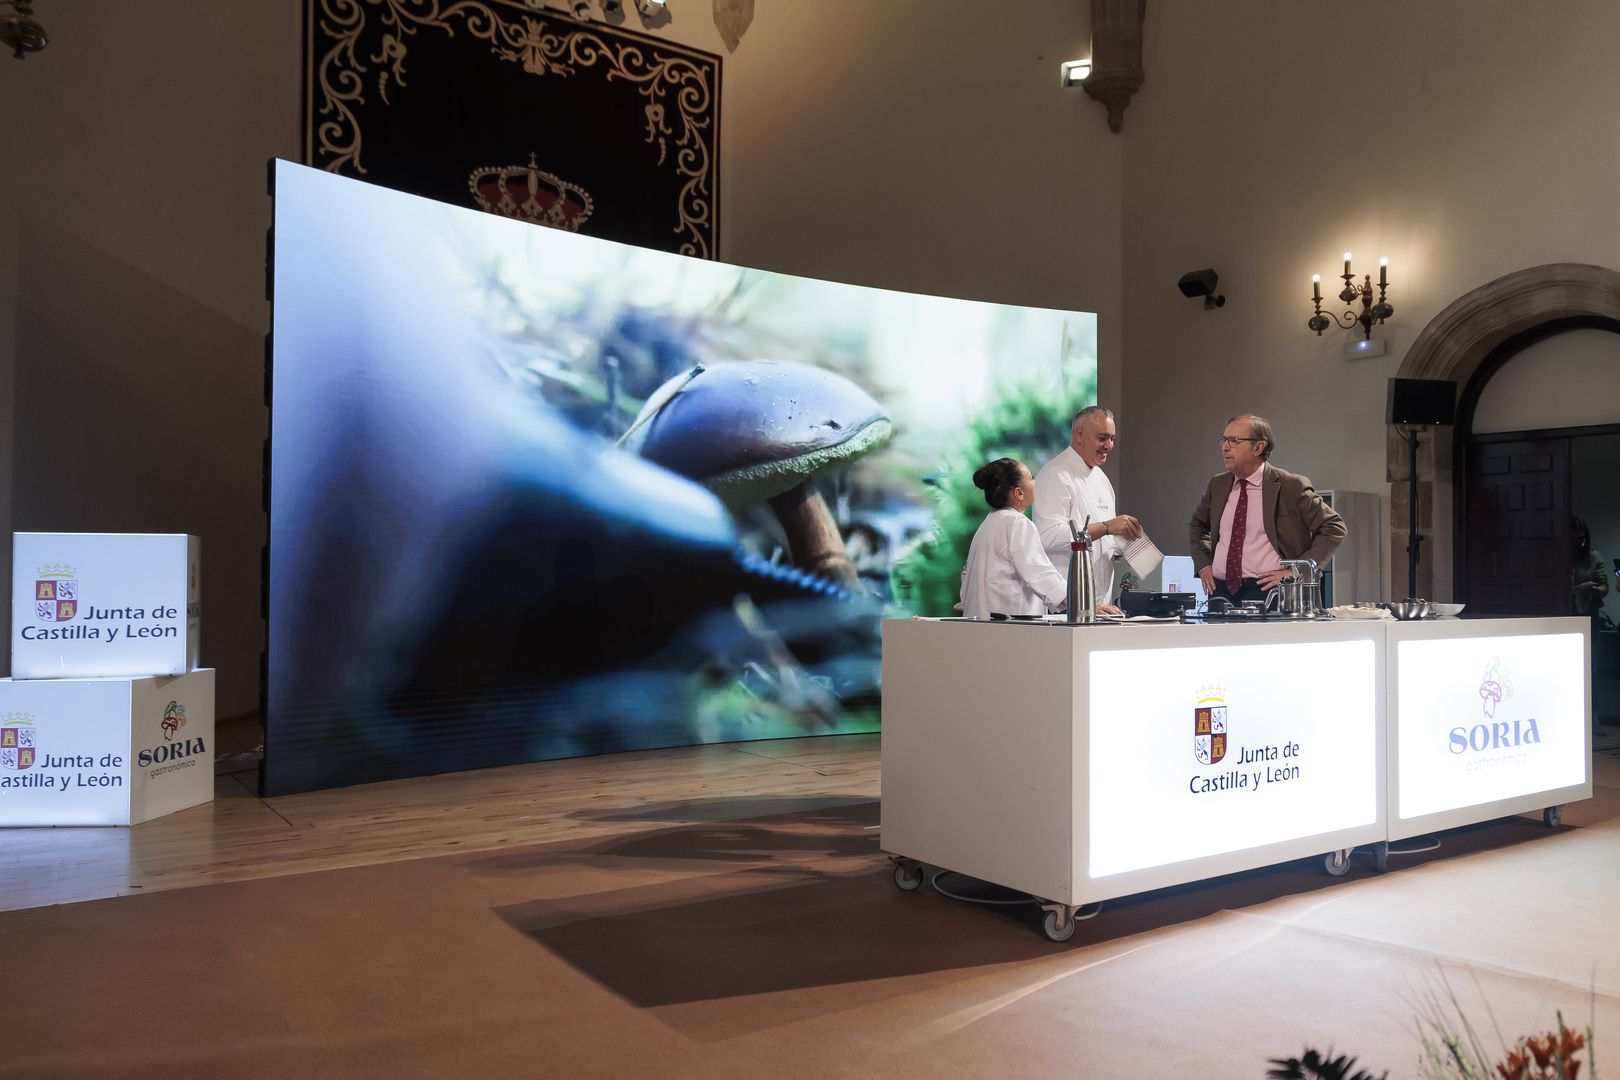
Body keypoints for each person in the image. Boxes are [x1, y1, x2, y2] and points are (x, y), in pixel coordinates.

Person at [1189, 413, 1347, 604]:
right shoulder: (1218, 485)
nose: (1225, 447)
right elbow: (1197, 525)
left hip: (1272, 591)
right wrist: (1203, 564)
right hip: (1221, 591)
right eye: (1224, 440)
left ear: (1259, 447)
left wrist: (1298, 572)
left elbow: (1334, 526)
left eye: (1234, 441)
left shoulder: (1290, 486)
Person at [1032, 406, 1142, 616]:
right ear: (1079, 434)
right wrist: (1106, 527)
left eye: (1112, 438)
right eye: (1102, 438)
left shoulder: (1101, 479)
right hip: (1065, 609)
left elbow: (1104, 540)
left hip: (1102, 607)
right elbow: (1047, 537)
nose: (1109, 445)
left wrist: (1124, 543)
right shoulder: (1055, 474)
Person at [960, 458, 1068, 620]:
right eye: (1031, 478)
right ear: (1019, 493)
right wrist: (1079, 603)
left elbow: (965, 578)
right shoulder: (1018, 523)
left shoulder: (987, 524)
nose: (1035, 482)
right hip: (1007, 627)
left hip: (979, 623)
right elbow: (1039, 572)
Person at [1572, 516, 1609, 621]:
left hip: (1589, 611)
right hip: (1559, 611)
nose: (1576, 543)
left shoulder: (1593, 556)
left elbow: (1604, 587)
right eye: (1572, 538)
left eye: (1580, 538)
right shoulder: (1554, 557)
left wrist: (1590, 589)